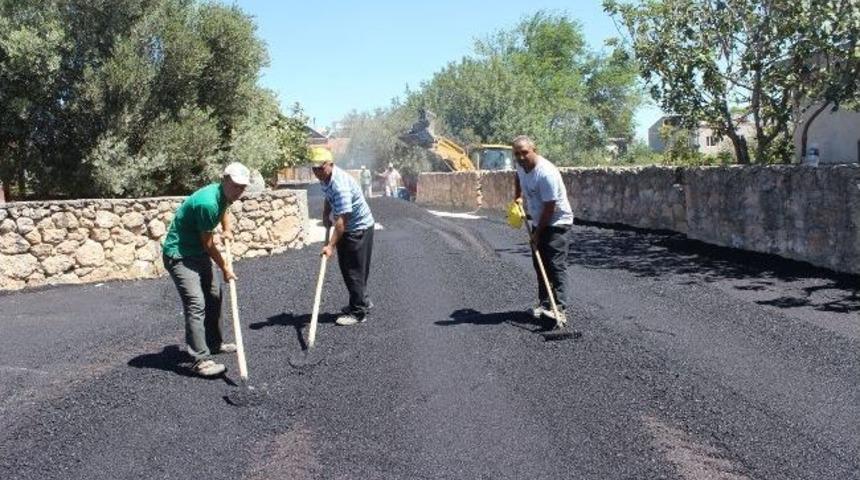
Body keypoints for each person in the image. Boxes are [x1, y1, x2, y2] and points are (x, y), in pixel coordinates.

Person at [162, 162, 250, 377]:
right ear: (225, 180)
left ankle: (214, 343)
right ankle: (200, 359)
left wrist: (227, 229)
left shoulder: (222, 195)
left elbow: (224, 208)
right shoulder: (207, 202)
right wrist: (225, 268)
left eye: (242, 187)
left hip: (197, 252)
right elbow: (208, 244)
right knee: (196, 304)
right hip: (180, 255)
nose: (239, 191)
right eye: (236, 185)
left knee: (214, 295)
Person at [512, 136, 574, 325]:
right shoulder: (521, 167)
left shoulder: (546, 173)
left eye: (525, 152)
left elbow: (550, 207)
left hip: (557, 222)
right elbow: (517, 176)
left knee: (555, 265)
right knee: (540, 265)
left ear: (534, 150)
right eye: (517, 153)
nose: (521, 157)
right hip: (540, 221)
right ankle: (546, 304)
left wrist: (537, 233)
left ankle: (560, 310)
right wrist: (518, 196)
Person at [310, 147, 376, 326]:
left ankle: (358, 313)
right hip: (351, 226)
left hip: (357, 229)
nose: (316, 172)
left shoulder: (339, 184)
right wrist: (325, 214)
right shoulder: (326, 178)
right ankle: (362, 300)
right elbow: (328, 197)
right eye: (314, 168)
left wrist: (330, 246)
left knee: (353, 270)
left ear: (330, 164)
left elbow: (342, 220)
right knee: (351, 269)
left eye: (320, 168)